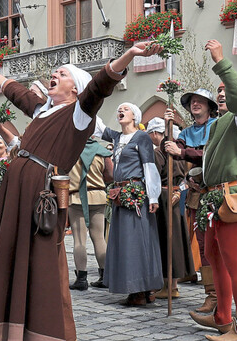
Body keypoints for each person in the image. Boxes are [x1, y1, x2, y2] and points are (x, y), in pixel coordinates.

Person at [0, 41, 163, 341]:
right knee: (43, 265)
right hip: (19, 192)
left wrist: (129, 55)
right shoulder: (43, 111)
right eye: (54, 72)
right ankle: (63, 339)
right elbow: (22, 95)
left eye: (62, 74)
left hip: (37, 195)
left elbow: (99, 87)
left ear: (74, 89)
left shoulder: (78, 114)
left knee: (38, 265)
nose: (54, 74)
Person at [188, 39, 237, 341]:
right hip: (215, 196)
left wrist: (220, 60)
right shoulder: (220, 125)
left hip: (234, 197)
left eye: (226, 89)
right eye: (218, 91)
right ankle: (222, 318)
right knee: (214, 256)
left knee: (235, 262)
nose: (221, 94)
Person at [99, 104, 163, 306]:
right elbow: (96, 126)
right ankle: (134, 287)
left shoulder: (141, 137)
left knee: (137, 240)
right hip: (119, 195)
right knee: (124, 242)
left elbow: (149, 166)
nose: (120, 110)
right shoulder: (117, 138)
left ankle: (142, 288)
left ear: (135, 116)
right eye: (118, 109)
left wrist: (153, 196)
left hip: (135, 194)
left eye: (125, 109)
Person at [163, 88, 219, 312]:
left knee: (219, 245)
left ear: (209, 106)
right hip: (196, 194)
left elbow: (209, 154)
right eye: (192, 102)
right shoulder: (186, 132)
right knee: (204, 246)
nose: (195, 104)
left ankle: (225, 293)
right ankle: (212, 295)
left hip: (217, 190)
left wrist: (182, 152)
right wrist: (168, 129)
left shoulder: (216, 126)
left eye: (200, 101)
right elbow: (170, 150)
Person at [146, 117, 195, 299]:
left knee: (168, 241)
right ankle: (172, 285)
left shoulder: (160, 153)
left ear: (157, 133)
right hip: (177, 196)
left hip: (165, 198)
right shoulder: (179, 152)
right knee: (175, 239)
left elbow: (154, 176)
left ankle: (169, 285)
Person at [68, 138, 113, 290]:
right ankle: (105, 276)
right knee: (99, 237)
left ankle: (81, 279)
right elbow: (110, 175)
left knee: (79, 239)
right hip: (98, 195)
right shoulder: (101, 151)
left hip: (76, 197)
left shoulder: (70, 149)